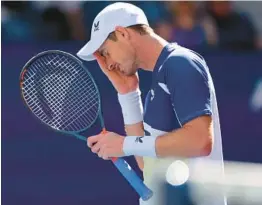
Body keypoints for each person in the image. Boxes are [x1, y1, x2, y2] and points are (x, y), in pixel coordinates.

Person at [77, 2, 226, 205]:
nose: (108, 63)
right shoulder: (161, 75)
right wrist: (128, 95)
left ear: (122, 33)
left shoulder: (180, 62)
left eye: (105, 52)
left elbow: (200, 141)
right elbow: (147, 164)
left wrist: (124, 145)